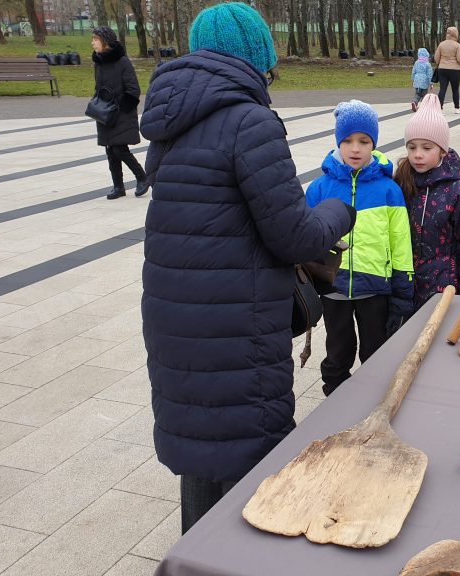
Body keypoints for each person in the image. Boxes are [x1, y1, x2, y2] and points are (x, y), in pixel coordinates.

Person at [138, 3, 356, 534]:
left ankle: (192, 559)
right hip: (234, 322)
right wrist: (338, 209)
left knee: (201, 444)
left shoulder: (172, 121)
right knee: (247, 466)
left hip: (178, 318)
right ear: (256, 56)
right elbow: (293, 235)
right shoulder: (250, 121)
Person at [305, 100, 414, 397]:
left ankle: (372, 401)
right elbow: (306, 236)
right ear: (338, 142)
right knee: (338, 350)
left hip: (375, 286)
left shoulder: (388, 189)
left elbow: (400, 239)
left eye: (364, 141)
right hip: (333, 285)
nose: (355, 148)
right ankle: (336, 401)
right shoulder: (319, 188)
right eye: (348, 141)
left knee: (375, 351)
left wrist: (403, 280)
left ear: (373, 144)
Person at [395, 94, 460, 308]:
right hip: (405, 291)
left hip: (445, 291)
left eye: (427, 148)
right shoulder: (401, 184)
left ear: (443, 150)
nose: (417, 155)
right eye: (412, 147)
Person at [90, 26, 148, 200]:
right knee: (110, 150)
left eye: (95, 39)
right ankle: (118, 186)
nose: (92, 42)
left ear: (105, 41)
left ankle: (143, 178)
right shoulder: (99, 62)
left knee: (119, 149)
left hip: (121, 113)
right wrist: (97, 103)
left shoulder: (122, 62)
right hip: (104, 114)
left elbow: (133, 89)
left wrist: (121, 109)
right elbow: (98, 87)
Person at [435, 26, 460, 114]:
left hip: (442, 69)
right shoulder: (457, 45)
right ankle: (457, 108)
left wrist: (440, 62)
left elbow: (436, 58)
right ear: (456, 34)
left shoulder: (441, 44)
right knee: (455, 90)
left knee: (442, 89)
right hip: (454, 70)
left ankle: (439, 108)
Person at [411, 48, 433, 112]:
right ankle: (424, 107)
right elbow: (430, 74)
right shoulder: (427, 64)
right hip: (424, 81)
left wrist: (413, 79)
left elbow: (413, 71)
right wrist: (431, 83)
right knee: (424, 95)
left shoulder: (416, 62)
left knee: (417, 94)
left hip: (417, 80)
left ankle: (414, 102)